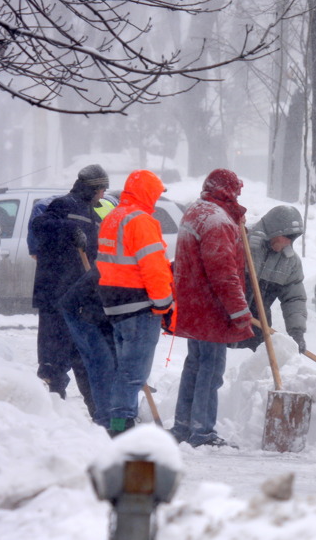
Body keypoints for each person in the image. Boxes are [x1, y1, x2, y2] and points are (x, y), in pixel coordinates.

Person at [170, 169, 254, 448]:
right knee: (210, 369)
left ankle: (183, 426)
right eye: (236, 191)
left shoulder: (196, 211)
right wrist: (240, 311)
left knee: (194, 365)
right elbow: (224, 273)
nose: (239, 195)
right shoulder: (217, 221)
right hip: (211, 309)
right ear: (226, 191)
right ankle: (202, 431)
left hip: (193, 304)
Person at [97, 169, 175, 437]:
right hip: (138, 306)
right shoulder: (141, 221)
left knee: (124, 371)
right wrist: (164, 304)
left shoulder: (114, 217)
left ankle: (118, 424)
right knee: (133, 374)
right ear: (147, 193)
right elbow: (153, 267)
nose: (156, 199)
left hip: (114, 305)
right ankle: (120, 427)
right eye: (155, 193)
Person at [30, 164, 110, 418]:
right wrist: (69, 230)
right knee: (53, 360)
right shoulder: (64, 205)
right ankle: (48, 414)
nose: (104, 193)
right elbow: (41, 225)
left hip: (77, 296)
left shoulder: (90, 210)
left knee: (83, 358)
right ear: (93, 188)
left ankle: (100, 416)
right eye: (102, 188)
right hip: (55, 295)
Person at [233, 205, 307, 353]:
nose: (288, 242)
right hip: (227, 322)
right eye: (286, 236)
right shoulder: (242, 243)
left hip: (259, 329)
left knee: (253, 371)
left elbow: (294, 298)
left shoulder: (290, 262)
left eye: (293, 238)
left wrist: (297, 332)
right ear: (274, 230)